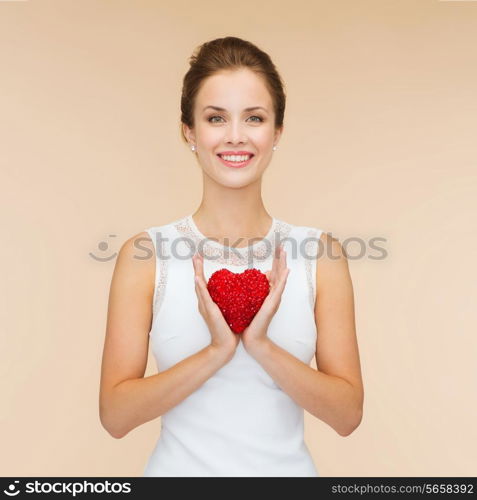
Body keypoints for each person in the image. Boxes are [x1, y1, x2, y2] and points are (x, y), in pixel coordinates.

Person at [99, 36, 364, 477]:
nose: (236, 136)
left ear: (277, 131)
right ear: (190, 131)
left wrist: (259, 345)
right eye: (216, 118)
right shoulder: (147, 255)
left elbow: (347, 414)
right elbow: (115, 416)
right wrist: (218, 350)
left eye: (254, 118)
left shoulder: (319, 254)